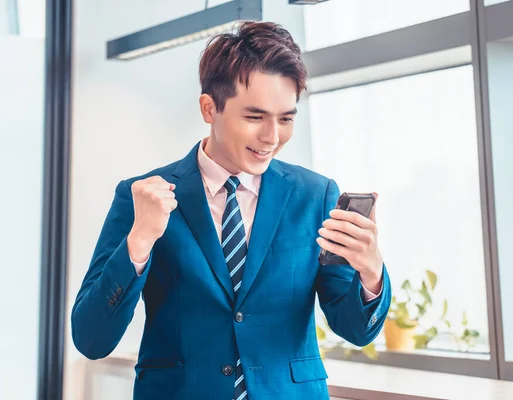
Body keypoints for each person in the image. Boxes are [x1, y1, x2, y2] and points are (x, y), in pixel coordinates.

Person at [71, 21, 391, 400]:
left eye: (286, 119)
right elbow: (91, 338)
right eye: (254, 117)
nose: (272, 137)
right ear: (209, 108)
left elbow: (355, 329)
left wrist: (370, 273)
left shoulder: (315, 195)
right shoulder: (140, 197)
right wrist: (138, 242)